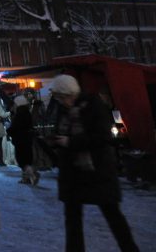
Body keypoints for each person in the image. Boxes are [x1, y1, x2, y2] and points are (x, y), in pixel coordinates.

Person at [47, 75, 139, 252]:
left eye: (62, 97)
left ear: (71, 93)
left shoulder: (92, 105)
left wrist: (70, 142)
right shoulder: (64, 109)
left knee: (112, 215)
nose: (61, 101)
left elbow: (102, 137)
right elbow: (63, 132)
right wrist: (56, 141)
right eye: (58, 98)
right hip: (73, 174)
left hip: (97, 170)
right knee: (73, 220)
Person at [7, 95, 37, 186]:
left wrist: (9, 131)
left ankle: (32, 174)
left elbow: (15, 128)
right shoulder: (27, 113)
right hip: (27, 139)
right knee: (27, 159)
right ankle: (26, 178)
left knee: (22, 160)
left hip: (20, 140)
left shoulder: (19, 114)